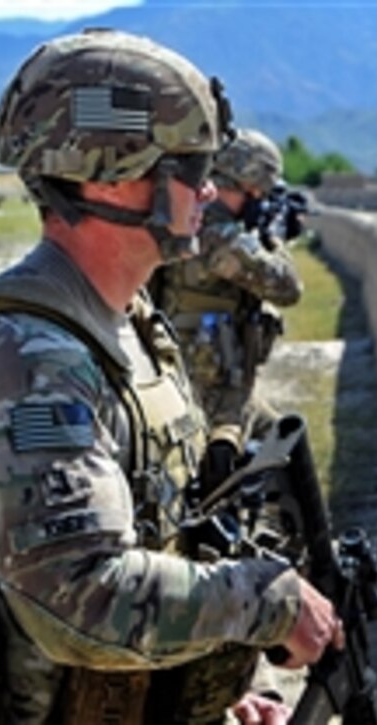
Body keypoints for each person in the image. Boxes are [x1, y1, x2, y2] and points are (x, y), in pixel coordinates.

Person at [0, 29, 341, 724]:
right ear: (106, 176)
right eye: (189, 165)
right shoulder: (21, 362)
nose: (209, 188)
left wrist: (207, 697)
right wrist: (267, 602)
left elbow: (156, 536)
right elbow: (82, 601)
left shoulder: (129, 322)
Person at [151, 128, 303, 486]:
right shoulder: (218, 235)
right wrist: (276, 237)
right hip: (213, 394)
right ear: (248, 184)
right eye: (258, 193)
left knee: (282, 437)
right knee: (276, 455)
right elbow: (287, 288)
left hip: (190, 377)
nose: (258, 199)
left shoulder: (185, 220)